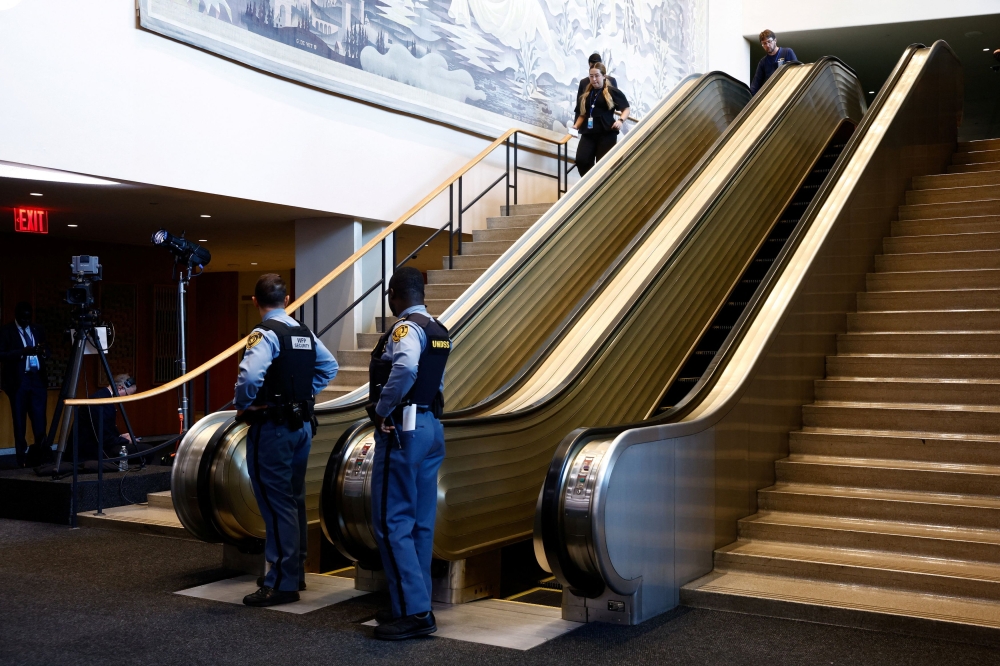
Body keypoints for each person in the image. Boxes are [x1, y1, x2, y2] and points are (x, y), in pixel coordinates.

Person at [235, 274, 338, 607]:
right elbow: (330, 366)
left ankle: (281, 582)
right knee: (292, 500)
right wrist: (303, 395)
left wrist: (244, 404)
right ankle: (295, 572)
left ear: (255, 301)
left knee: (276, 502)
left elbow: (250, 376)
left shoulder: (265, 334)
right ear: (287, 298)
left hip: (274, 428)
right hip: (302, 425)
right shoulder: (302, 332)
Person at [367, 266, 450, 641]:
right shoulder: (439, 330)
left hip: (405, 428)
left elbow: (404, 367)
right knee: (420, 522)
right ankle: (414, 603)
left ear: (395, 294)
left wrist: (384, 409)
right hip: (431, 425)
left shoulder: (405, 329)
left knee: (391, 519)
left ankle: (414, 612)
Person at [0, 302, 49, 468]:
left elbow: (47, 350)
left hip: (37, 380)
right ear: (16, 315)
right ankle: (21, 458)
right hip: (18, 381)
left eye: (29, 317)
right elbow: (2, 354)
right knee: (19, 421)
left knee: (40, 419)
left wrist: (43, 351)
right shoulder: (6, 331)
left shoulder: (38, 329)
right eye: (23, 318)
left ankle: (41, 455)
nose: (26, 321)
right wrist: (22, 352)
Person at [573, 62, 630, 176]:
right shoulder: (586, 95)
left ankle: (599, 187)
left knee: (603, 165)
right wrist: (575, 126)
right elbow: (582, 114)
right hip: (589, 133)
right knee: (581, 160)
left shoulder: (611, 91)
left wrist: (620, 121)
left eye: (597, 75)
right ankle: (589, 184)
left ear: (604, 76)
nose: (594, 79)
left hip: (606, 133)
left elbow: (626, 109)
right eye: (591, 76)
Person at [74, 374, 137, 462]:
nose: (126, 398)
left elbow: (105, 430)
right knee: (145, 450)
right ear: (120, 388)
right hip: (91, 451)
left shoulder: (103, 396)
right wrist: (125, 440)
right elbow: (104, 438)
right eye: (127, 395)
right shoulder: (103, 401)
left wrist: (120, 436)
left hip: (93, 445)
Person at [750, 30, 797, 95]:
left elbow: (796, 73)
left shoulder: (787, 52)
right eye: (764, 43)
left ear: (775, 40)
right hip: (772, 95)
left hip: (788, 92)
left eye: (769, 42)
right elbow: (755, 84)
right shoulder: (763, 62)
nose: (767, 45)